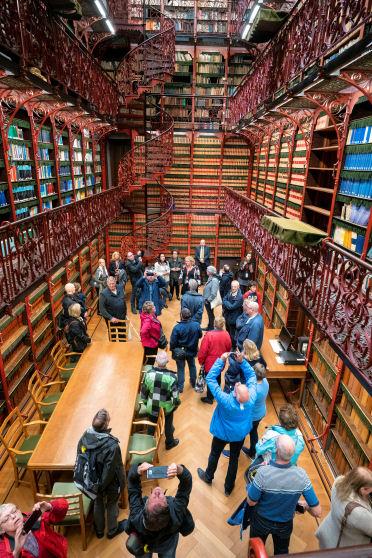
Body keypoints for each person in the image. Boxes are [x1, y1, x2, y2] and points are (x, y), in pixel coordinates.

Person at [247, 435, 321, 555]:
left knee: (255, 549)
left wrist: (253, 485)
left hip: (261, 520)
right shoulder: (302, 475)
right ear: (292, 454)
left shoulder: (263, 473)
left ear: (276, 451)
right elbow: (317, 512)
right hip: (285, 524)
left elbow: (251, 502)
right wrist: (305, 505)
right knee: (282, 552)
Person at [197, 351, 257, 496]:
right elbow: (252, 377)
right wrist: (243, 362)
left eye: (237, 387)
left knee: (214, 454)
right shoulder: (252, 397)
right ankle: (228, 487)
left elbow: (210, 379)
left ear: (235, 394)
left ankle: (208, 476)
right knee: (234, 459)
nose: (237, 383)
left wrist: (221, 360)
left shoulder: (226, 400)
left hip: (222, 433)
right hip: (239, 434)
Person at [126, 461, 193, 557]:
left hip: (144, 544)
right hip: (167, 545)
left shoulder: (136, 516)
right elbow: (186, 484)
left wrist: (137, 470)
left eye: (153, 498)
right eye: (162, 499)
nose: (157, 493)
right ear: (168, 507)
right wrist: (179, 469)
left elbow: (132, 487)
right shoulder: (176, 514)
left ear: (144, 508)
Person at [76, 409, 125, 539]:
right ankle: (112, 530)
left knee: (98, 503)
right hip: (110, 483)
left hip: (92, 481)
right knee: (111, 504)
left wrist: (96, 487)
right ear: (106, 425)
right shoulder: (112, 445)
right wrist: (104, 485)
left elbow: (79, 457)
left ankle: (99, 531)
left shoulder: (84, 437)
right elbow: (110, 470)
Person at [315, 467, 372, 549]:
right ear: (363, 489)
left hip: (328, 534)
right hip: (341, 547)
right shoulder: (358, 513)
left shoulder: (339, 481)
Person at [223, 362, 269, 459]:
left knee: (241, 434)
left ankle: (233, 453)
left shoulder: (254, 390)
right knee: (253, 432)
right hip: (260, 413)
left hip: (252, 416)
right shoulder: (265, 381)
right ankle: (252, 452)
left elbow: (244, 402)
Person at [0, 499, 68, 557]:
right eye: (6, 519)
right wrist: (16, 552)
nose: (13, 516)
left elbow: (63, 506)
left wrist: (49, 506)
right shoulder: (3, 547)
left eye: (14, 511)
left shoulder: (33, 518)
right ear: (2, 529)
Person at [140, 351, 181, 450]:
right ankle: (169, 442)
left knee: (152, 422)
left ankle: (149, 443)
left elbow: (143, 393)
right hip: (165, 409)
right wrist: (176, 405)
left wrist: (146, 402)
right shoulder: (172, 377)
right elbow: (175, 398)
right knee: (168, 424)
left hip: (151, 407)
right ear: (167, 361)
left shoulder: (149, 374)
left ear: (156, 361)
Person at [197, 316, 232, 404]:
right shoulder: (226, 334)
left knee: (210, 379)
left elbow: (203, 350)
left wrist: (201, 361)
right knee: (218, 376)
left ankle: (210, 397)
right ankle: (217, 393)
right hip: (221, 361)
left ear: (214, 324)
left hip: (210, 363)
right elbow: (228, 348)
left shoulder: (209, 335)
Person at [169, 308, 202, 392]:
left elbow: (173, 342)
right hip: (192, 351)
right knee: (192, 366)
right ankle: (193, 382)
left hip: (180, 352)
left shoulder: (177, 328)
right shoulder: (196, 325)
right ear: (190, 315)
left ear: (181, 316)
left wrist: (173, 349)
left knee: (180, 369)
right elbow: (200, 335)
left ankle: (180, 387)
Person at [139, 301, 162, 365]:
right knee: (150, 362)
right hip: (150, 345)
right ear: (150, 310)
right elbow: (143, 331)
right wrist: (148, 337)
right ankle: (148, 372)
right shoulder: (148, 320)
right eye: (153, 307)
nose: (155, 307)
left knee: (149, 360)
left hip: (152, 343)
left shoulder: (150, 315)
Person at [222, 280, 243, 347]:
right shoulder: (230, 291)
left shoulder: (240, 297)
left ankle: (233, 346)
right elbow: (224, 299)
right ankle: (229, 343)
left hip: (234, 319)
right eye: (232, 286)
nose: (233, 288)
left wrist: (226, 303)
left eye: (235, 287)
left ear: (238, 287)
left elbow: (231, 307)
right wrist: (226, 302)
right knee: (227, 331)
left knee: (233, 334)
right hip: (227, 316)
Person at [203, 266, 221, 331]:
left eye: (207, 270)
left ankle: (211, 328)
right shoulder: (210, 278)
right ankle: (209, 326)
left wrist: (208, 300)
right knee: (210, 314)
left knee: (210, 314)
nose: (206, 271)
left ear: (210, 272)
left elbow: (214, 293)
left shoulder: (214, 280)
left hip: (209, 301)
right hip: (207, 300)